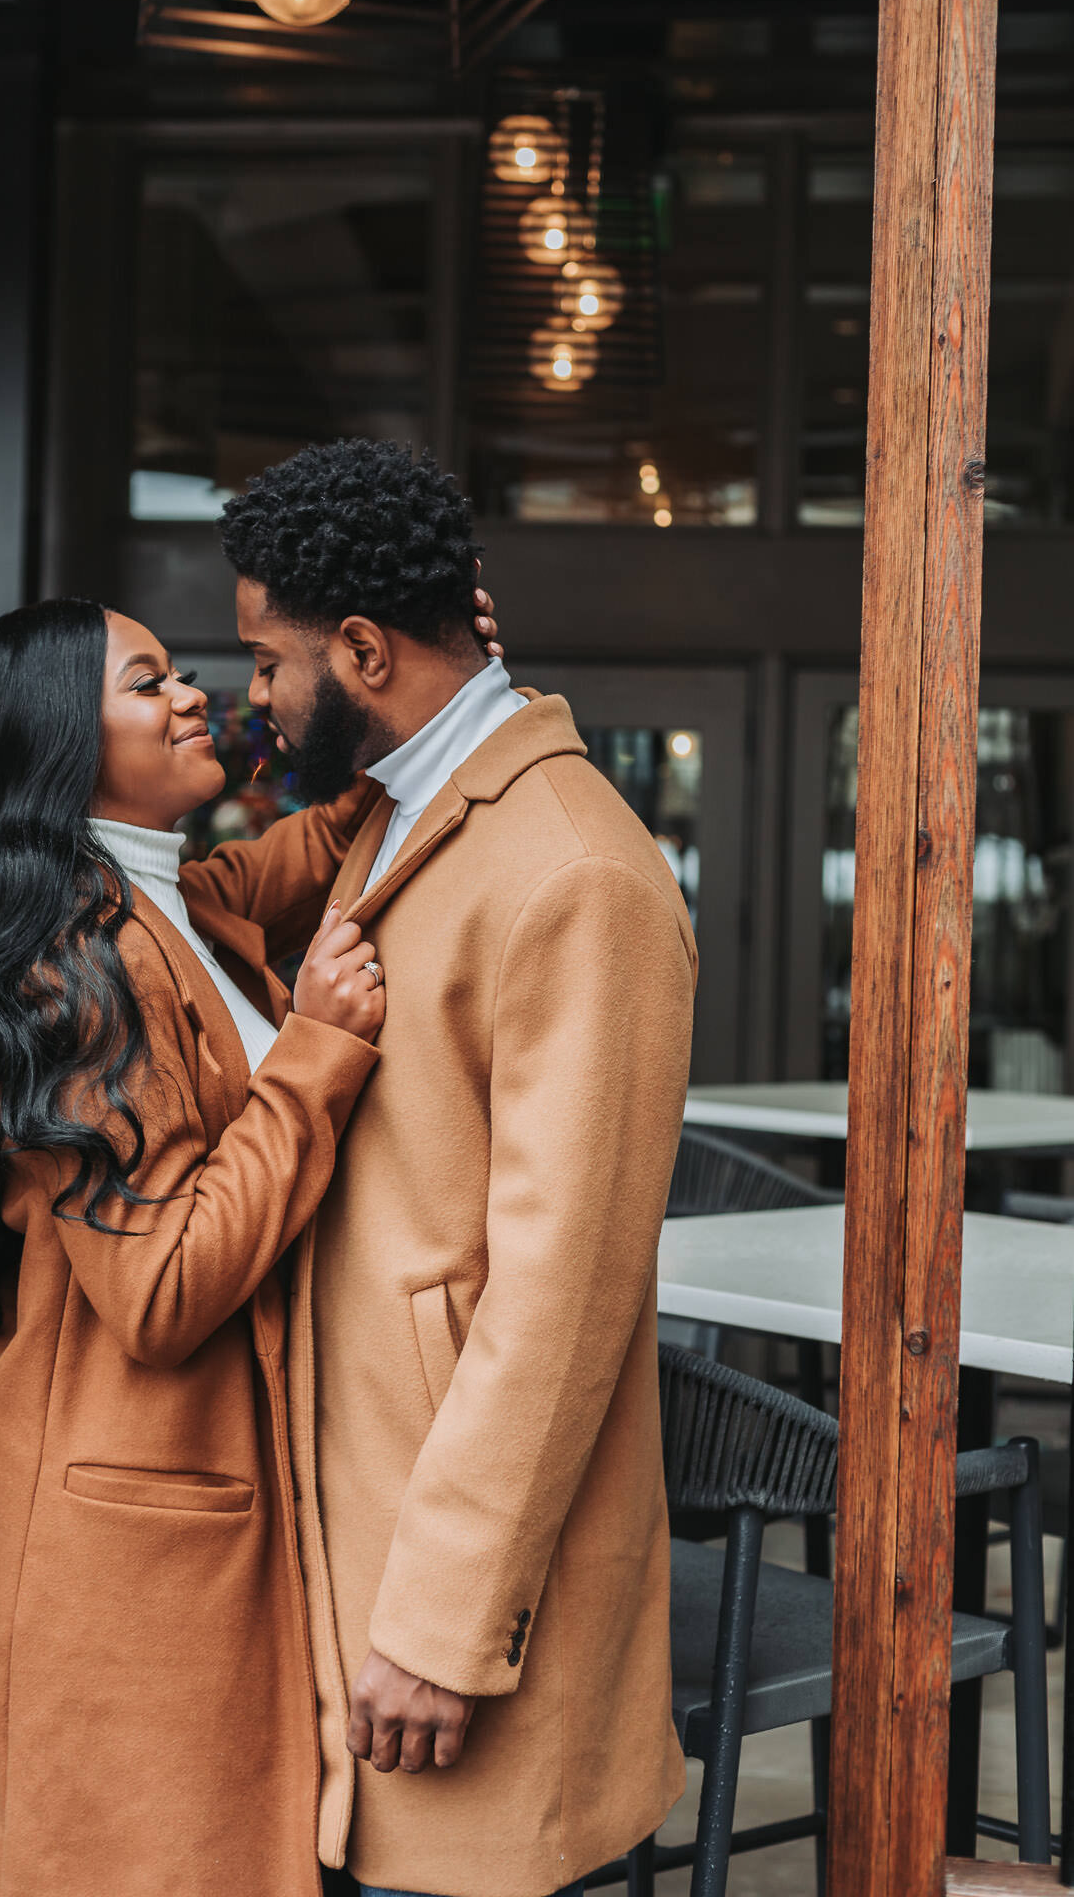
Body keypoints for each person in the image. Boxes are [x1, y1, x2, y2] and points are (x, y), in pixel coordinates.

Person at [220, 439, 698, 1897]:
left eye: (264, 662)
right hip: (359, 1546)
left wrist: (440, 1625)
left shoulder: (578, 874)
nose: (249, 697)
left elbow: (565, 1297)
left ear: (361, 647)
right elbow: (201, 890)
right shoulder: (405, 802)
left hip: (457, 1618)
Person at [0, 596, 398, 1897]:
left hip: (151, 1500)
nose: (190, 695)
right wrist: (318, 1058)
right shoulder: (73, 969)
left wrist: (411, 679)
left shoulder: (164, 903)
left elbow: (334, 835)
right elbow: (161, 1291)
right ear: (61, 741)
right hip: (125, 1537)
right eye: (145, 682)